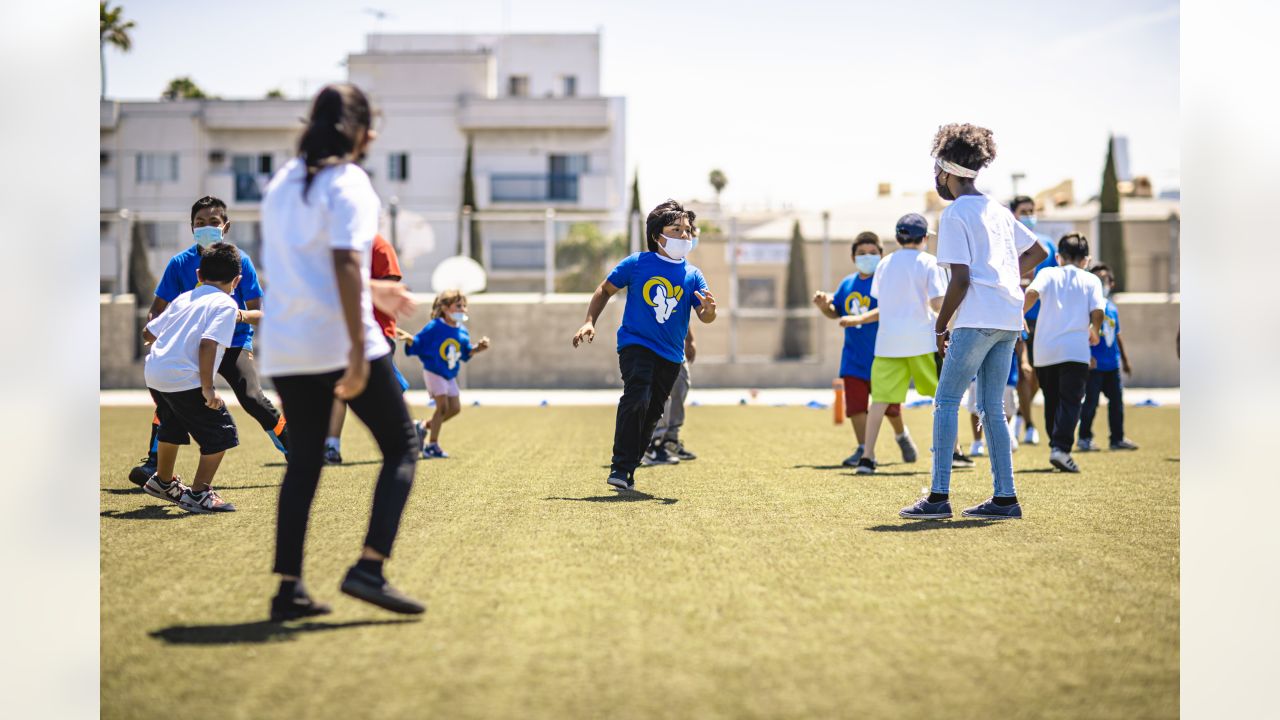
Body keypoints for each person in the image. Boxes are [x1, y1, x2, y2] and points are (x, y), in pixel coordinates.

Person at [260, 83, 424, 621]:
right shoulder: (349, 181)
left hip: (286, 345)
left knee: (304, 462)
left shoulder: (281, 182)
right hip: (338, 341)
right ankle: (368, 569)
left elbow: (305, 270)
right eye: (370, 125)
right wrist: (358, 352)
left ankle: (289, 589)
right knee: (401, 446)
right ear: (359, 131)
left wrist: (378, 293)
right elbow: (345, 264)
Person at [900, 123, 1048, 521]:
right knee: (991, 408)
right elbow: (1039, 251)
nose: (937, 180)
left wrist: (940, 325)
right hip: (1008, 316)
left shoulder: (954, 214)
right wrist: (1004, 275)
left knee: (946, 401)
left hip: (976, 316)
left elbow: (962, 279)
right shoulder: (998, 209)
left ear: (947, 170)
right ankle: (1005, 498)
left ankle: (938, 496)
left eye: (937, 172)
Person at [127, 196, 288, 486]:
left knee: (251, 397)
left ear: (225, 225)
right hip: (193, 346)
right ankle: (154, 464)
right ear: (191, 228)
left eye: (213, 222)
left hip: (234, 342)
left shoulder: (241, 261)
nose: (206, 228)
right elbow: (158, 307)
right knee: (170, 396)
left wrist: (240, 320)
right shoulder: (179, 264)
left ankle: (295, 449)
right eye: (199, 223)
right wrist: (153, 330)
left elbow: (258, 310)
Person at [572, 199, 717, 492]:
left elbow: (704, 315)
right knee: (636, 397)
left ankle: (630, 467)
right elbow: (604, 289)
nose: (684, 236)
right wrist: (589, 321)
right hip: (635, 344)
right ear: (657, 235)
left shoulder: (693, 274)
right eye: (676, 229)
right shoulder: (637, 263)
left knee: (652, 412)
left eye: (687, 230)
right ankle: (620, 466)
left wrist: (710, 311)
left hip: (672, 355)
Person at [140, 243, 243, 514]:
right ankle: (199, 493)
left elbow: (147, 334)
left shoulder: (183, 298)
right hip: (184, 378)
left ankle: (163, 482)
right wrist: (208, 390)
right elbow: (208, 344)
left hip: (155, 374)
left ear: (198, 274)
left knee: (172, 425)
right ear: (236, 281)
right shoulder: (226, 304)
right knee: (222, 433)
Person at [813, 231, 916, 468]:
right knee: (856, 407)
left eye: (872, 253)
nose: (867, 257)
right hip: (853, 359)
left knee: (891, 408)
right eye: (861, 254)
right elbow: (836, 311)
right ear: (853, 257)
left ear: (881, 255)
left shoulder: (888, 281)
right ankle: (863, 449)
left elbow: (890, 311)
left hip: (885, 355)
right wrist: (823, 306)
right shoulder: (847, 284)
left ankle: (902, 436)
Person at [856, 215, 944, 475]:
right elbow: (937, 304)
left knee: (879, 402)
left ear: (897, 238)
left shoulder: (884, 264)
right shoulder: (930, 262)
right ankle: (953, 452)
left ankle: (867, 457)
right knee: (942, 398)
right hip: (923, 342)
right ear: (925, 238)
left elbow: (881, 302)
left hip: (888, 343)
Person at [324, 233, 416, 465]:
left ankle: (413, 430)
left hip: (375, 335)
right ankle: (331, 446)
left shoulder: (378, 245)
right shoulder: (330, 241)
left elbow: (390, 290)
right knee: (338, 390)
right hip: (338, 333)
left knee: (385, 395)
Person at [1023, 233, 1106, 473]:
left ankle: (1056, 447)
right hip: (1076, 350)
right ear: (1086, 260)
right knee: (1071, 402)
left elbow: (1031, 293)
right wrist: (1095, 328)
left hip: (1044, 350)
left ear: (1058, 257)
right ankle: (1060, 449)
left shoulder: (1047, 273)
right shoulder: (1091, 280)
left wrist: (1018, 315)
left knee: (1052, 400)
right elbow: (1098, 310)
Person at [404, 290, 490, 459]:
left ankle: (422, 426)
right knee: (442, 407)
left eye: (464, 306)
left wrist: (477, 348)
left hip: (449, 374)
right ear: (444, 307)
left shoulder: (462, 331)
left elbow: (465, 352)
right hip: (434, 372)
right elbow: (419, 342)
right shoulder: (435, 326)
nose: (463, 309)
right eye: (458, 306)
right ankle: (432, 446)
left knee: (455, 409)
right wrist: (410, 340)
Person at [1009, 195, 1057, 447]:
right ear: (1013, 215)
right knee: (1022, 374)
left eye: (1032, 210)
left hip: (1044, 320)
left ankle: (1021, 413)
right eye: (1023, 211)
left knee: (1038, 374)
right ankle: (1028, 424)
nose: (1029, 215)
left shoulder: (1047, 245)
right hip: (1015, 318)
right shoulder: (1006, 243)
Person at [1078, 264, 1138, 452]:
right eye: (1096, 279)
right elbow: (1081, 333)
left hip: (1112, 365)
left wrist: (1125, 360)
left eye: (1104, 280)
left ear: (1111, 284)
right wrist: (1086, 356)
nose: (1100, 283)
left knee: (1117, 403)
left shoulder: (1112, 308)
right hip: (1095, 366)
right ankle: (1084, 438)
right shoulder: (1087, 306)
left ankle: (1117, 438)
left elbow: (1117, 333)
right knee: (1090, 403)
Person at [642, 325, 697, 465]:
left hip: (675, 343)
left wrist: (690, 340)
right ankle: (653, 444)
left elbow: (682, 308)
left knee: (681, 385)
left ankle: (670, 440)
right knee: (661, 392)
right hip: (652, 343)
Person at [965, 343, 1022, 457]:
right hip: (978, 370)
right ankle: (977, 442)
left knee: (1007, 410)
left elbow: (1021, 342)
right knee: (977, 409)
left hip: (1007, 373)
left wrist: (1024, 362)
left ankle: (1000, 438)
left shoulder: (1016, 324)